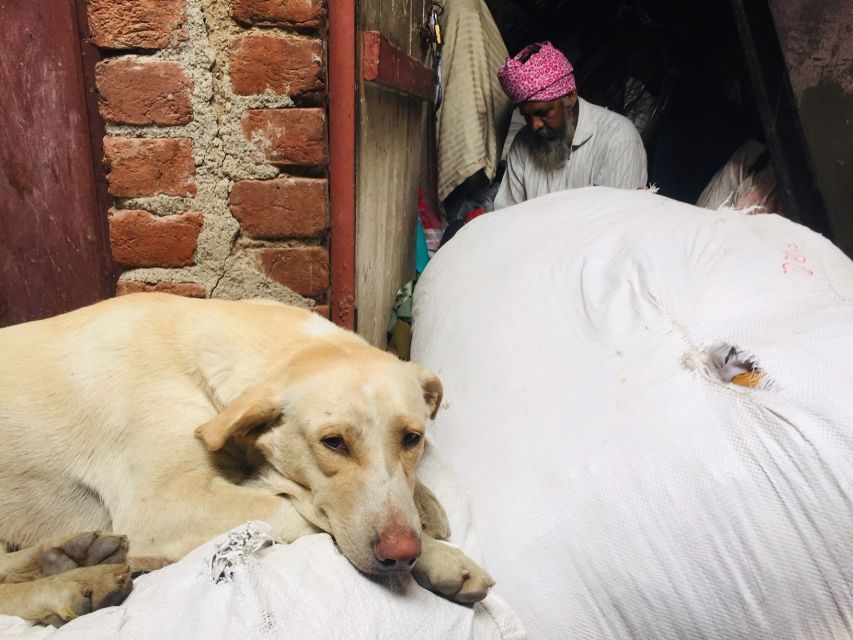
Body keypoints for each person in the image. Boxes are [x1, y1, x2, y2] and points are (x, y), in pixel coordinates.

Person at [494, 42, 648, 209]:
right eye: (526, 116)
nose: (534, 125)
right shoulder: (522, 143)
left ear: (570, 96)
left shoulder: (618, 140)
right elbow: (507, 214)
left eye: (543, 113)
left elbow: (617, 224)